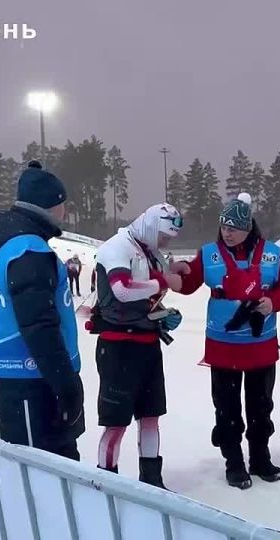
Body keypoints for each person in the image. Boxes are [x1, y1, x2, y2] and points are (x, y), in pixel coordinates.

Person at [176, 192, 280, 490]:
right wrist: (170, 275)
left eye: (232, 228)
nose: (226, 233)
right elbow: (188, 284)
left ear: (247, 228)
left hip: (261, 346)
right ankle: (233, 462)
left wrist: (273, 302)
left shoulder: (272, 254)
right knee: (227, 408)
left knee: (261, 407)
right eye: (223, 227)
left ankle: (260, 459)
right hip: (223, 347)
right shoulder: (209, 254)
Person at [0, 160, 84, 460]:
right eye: (63, 204)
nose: (65, 212)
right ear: (51, 206)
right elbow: (39, 325)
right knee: (44, 469)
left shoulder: (9, 242)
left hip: (21, 379)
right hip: (33, 381)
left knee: (41, 469)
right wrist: (65, 383)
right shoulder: (28, 250)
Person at [88, 203, 185, 489]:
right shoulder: (116, 247)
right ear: (151, 227)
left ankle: (152, 480)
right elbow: (123, 289)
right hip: (118, 348)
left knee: (150, 416)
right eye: (164, 236)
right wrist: (164, 280)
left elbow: (147, 292)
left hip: (147, 345)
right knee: (117, 423)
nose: (165, 243)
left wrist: (161, 314)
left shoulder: (149, 250)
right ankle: (107, 483)